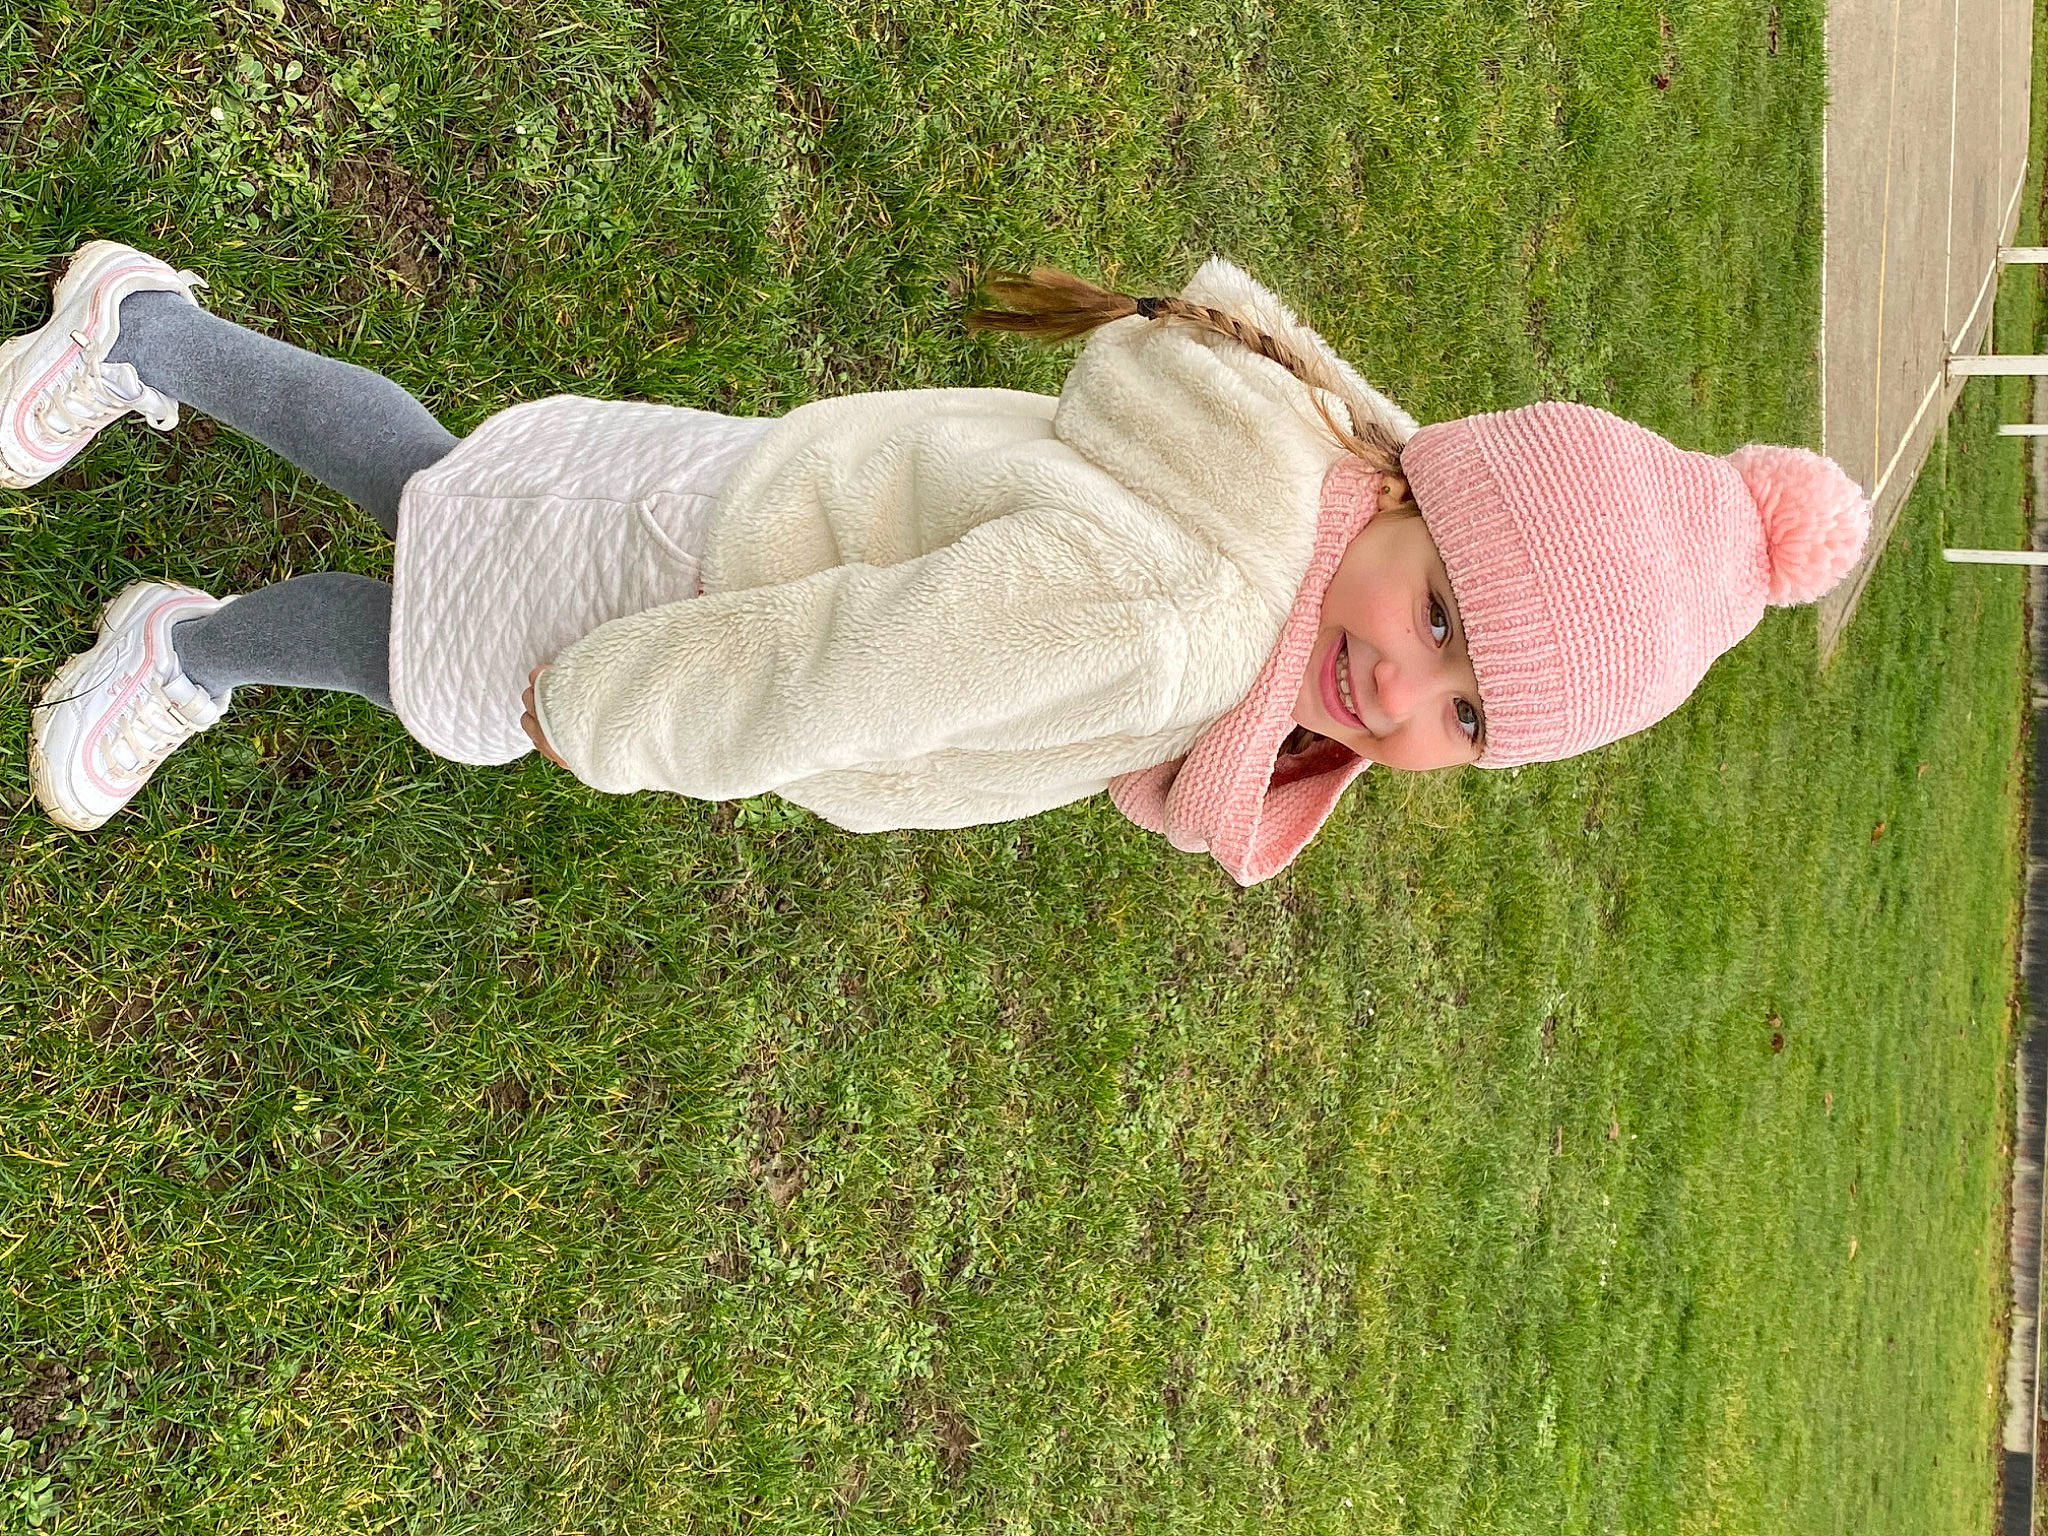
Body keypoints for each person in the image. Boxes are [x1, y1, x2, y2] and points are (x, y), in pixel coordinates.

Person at [7, 241, 1869, 884]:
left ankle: (159, 377)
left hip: (740, 515)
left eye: (1466, 715)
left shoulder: (1301, 474)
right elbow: (857, 666)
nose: (1403, 688)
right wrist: (619, 719)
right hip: (704, 606)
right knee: (444, 638)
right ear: (1414, 497)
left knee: (449, 491)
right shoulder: (1188, 625)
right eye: (1444, 618)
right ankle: (175, 530)